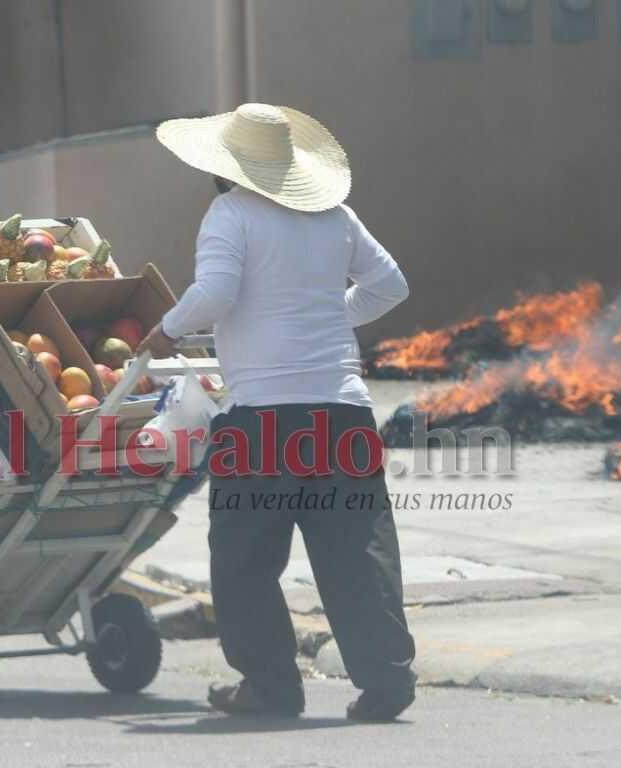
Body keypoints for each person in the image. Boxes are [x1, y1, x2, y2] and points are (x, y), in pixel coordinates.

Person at [136, 103, 416, 722]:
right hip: (342, 413)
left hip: (262, 419)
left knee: (245, 556)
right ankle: (387, 682)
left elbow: (215, 293)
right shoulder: (335, 216)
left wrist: (167, 330)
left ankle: (271, 687)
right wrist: (329, 316)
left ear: (225, 168)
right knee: (357, 550)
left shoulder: (231, 213)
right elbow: (390, 286)